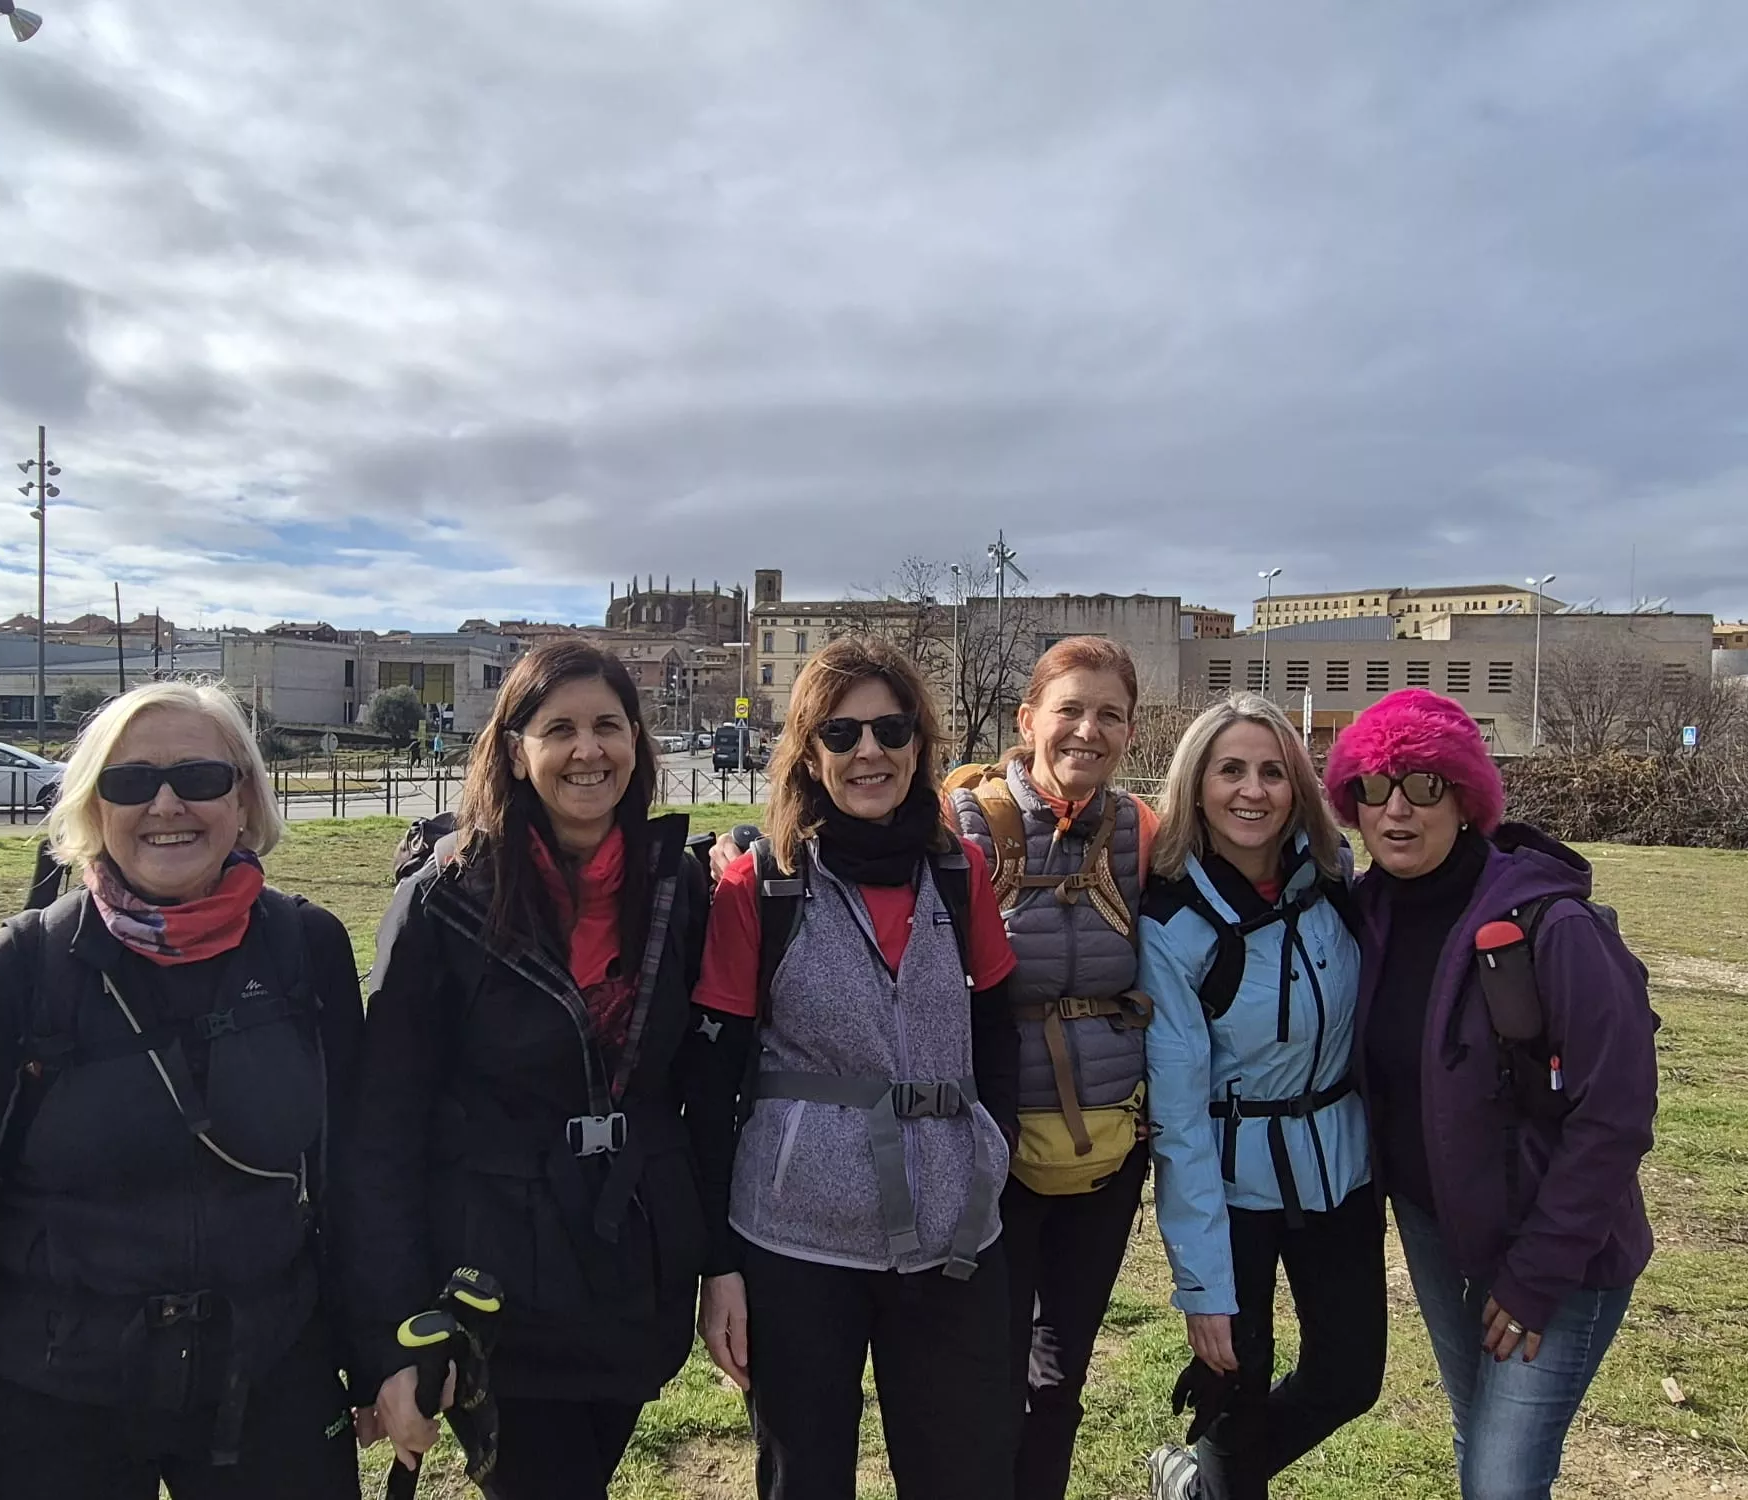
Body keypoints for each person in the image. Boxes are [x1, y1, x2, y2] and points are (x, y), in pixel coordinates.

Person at [0, 681, 363, 1500]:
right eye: (130, 782)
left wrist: (381, 1353)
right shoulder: (17, 973)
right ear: (94, 807)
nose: (166, 803)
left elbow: (353, 1173)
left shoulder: (308, 947)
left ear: (244, 796)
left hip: (269, 1378)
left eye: (200, 777)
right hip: (55, 1396)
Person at [344, 640, 710, 1500]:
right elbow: (383, 1123)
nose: (589, 751)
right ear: (516, 751)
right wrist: (389, 1327)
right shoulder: (446, 898)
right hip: (495, 1277)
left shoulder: (676, 887)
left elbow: (695, 1084)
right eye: (561, 729)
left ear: (636, 744)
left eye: (608, 727)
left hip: (627, 1266)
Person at [687, 634, 1022, 1500]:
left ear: (920, 743)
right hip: (796, 1242)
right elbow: (711, 1083)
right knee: (806, 1480)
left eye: (890, 729)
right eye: (841, 735)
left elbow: (997, 1038)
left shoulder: (961, 873)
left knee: (964, 1474)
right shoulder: (759, 885)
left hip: (952, 1237)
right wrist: (719, 1266)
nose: (869, 751)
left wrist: (992, 1170)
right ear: (808, 753)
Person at [1325, 688, 1657, 1500]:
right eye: (1374, 787)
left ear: (1467, 798)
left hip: (1558, 1251)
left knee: (1504, 1481)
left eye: (1424, 786)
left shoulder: (1554, 926)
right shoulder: (1365, 915)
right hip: (1439, 1230)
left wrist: (1538, 1273)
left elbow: (1615, 1114)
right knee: (1479, 1441)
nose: (1397, 809)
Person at [1139, 693, 1383, 1500]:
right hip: (1231, 1187)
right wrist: (1204, 1287)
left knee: (1349, 1376)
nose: (1254, 791)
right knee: (1234, 1399)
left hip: (1339, 1173)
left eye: (1273, 771)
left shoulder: (1335, 880)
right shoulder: (1172, 925)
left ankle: (1192, 1487)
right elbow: (1176, 1119)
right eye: (1231, 770)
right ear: (1197, 785)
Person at [945, 637, 1161, 1500]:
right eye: (1069, 709)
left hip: (1107, 1151)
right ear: (1027, 719)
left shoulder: (1141, 835)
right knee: (987, 1373)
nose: (1087, 730)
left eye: (1109, 714)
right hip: (992, 1154)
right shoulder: (962, 825)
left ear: (1130, 732)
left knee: (1062, 1375)